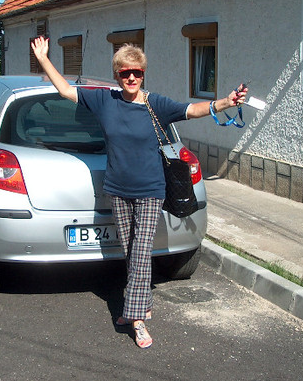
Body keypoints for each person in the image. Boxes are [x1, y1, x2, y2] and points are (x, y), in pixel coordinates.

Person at [30, 36, 247, 348]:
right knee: (131, 252)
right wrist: (44, 59)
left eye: (137, 72)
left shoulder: (154, 104)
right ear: (117, 75)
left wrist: (225, 102)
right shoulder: (105, 100)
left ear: (143, 73)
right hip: (118, 190)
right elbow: (65, 90)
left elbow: (193, 109)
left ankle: (136, 318)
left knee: (142, 250)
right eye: (125, 73)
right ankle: (140, 303)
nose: (131, 78)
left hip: (150, 190)